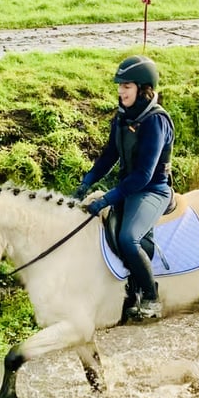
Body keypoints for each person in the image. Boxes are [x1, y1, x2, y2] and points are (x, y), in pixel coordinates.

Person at [73, 55, 174, 319]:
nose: (120, 91)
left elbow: (143, 174)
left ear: (143, 89)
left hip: (152, 190)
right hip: (128, 187)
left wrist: (107, 199)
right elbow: (109, 155)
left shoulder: (155, 121)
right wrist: (87, 181)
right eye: (119, 86)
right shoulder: (121, 116)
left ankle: (152, 296)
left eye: (126, 86)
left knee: (129, 239)